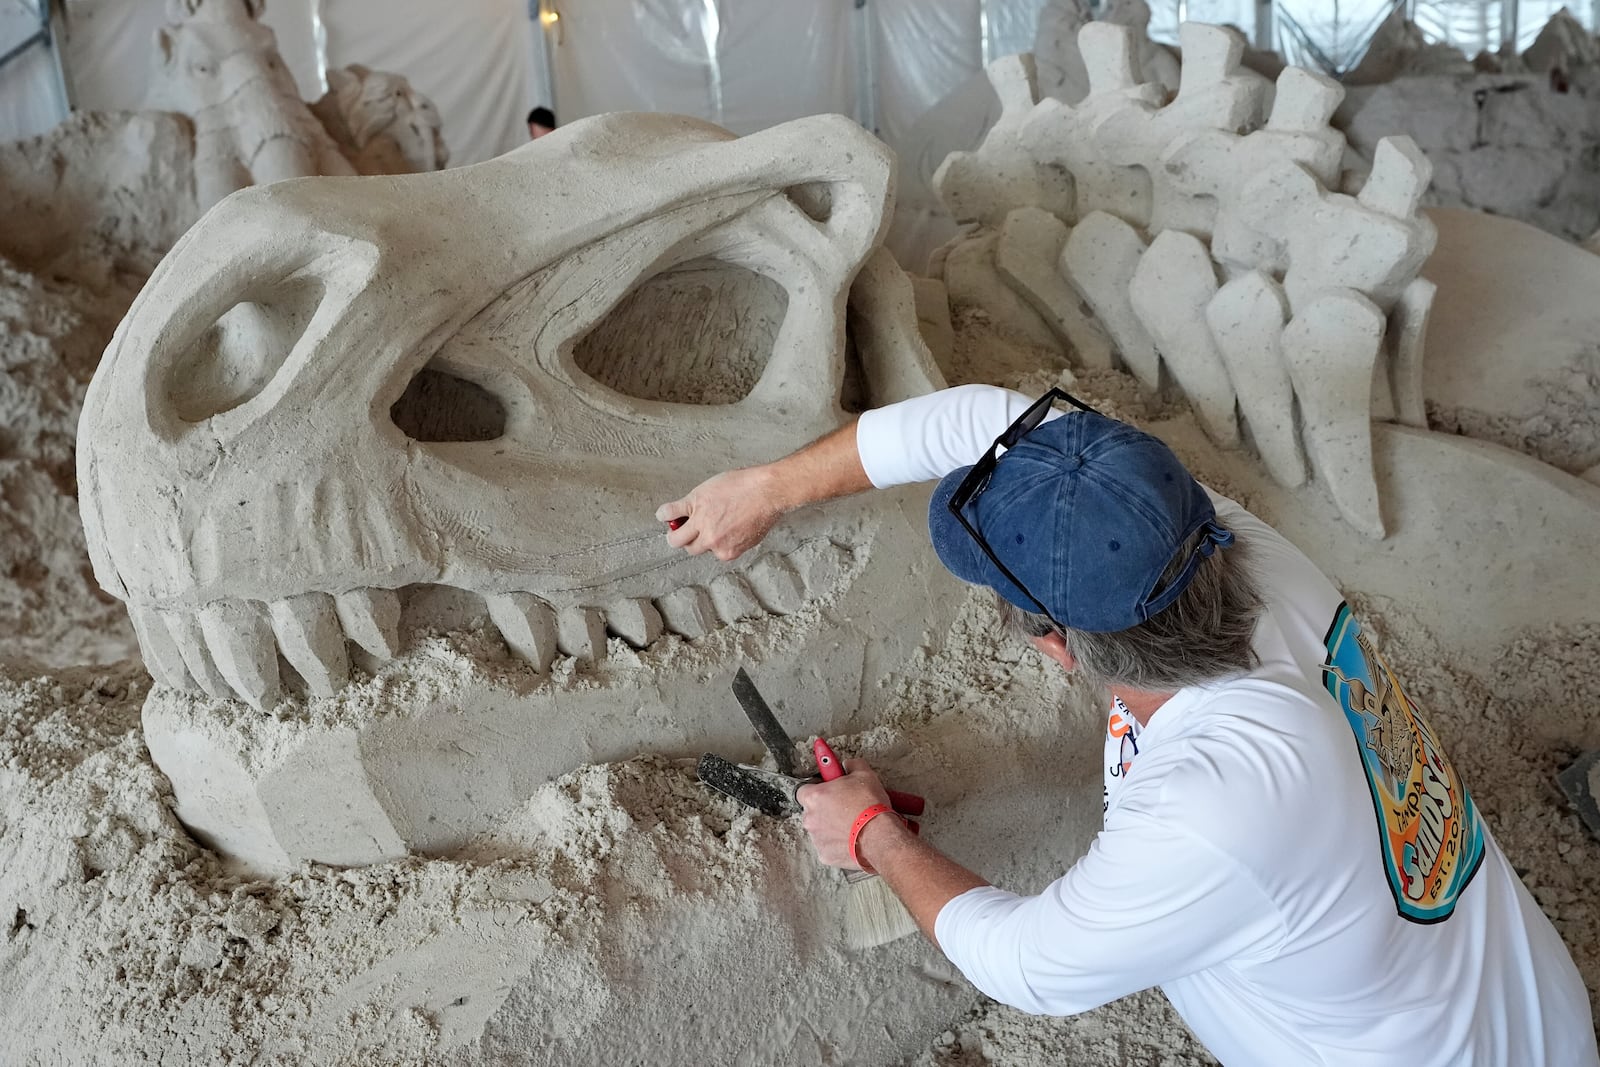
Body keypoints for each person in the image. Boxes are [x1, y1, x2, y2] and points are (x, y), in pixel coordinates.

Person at [656, 383, 1600, 1066]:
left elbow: (1027, 965)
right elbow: (983, 421)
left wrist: (873, 837)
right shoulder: (1219, 545)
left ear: (1057, 646)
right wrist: (769, 487)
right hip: (1516, 997)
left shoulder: (1218, 804)